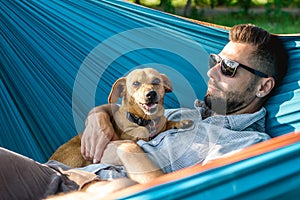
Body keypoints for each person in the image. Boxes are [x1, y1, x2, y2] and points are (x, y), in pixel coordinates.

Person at [0, 24, 288, 199]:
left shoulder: (248, 147)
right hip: (59, 173)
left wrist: (126, 150)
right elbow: (127, 109)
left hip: (105, 191)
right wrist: (98, 114)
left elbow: (193, 193)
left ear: (263, 87)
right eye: (215, 60)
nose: (211, 72)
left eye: (228, 68)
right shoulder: (179, 115)